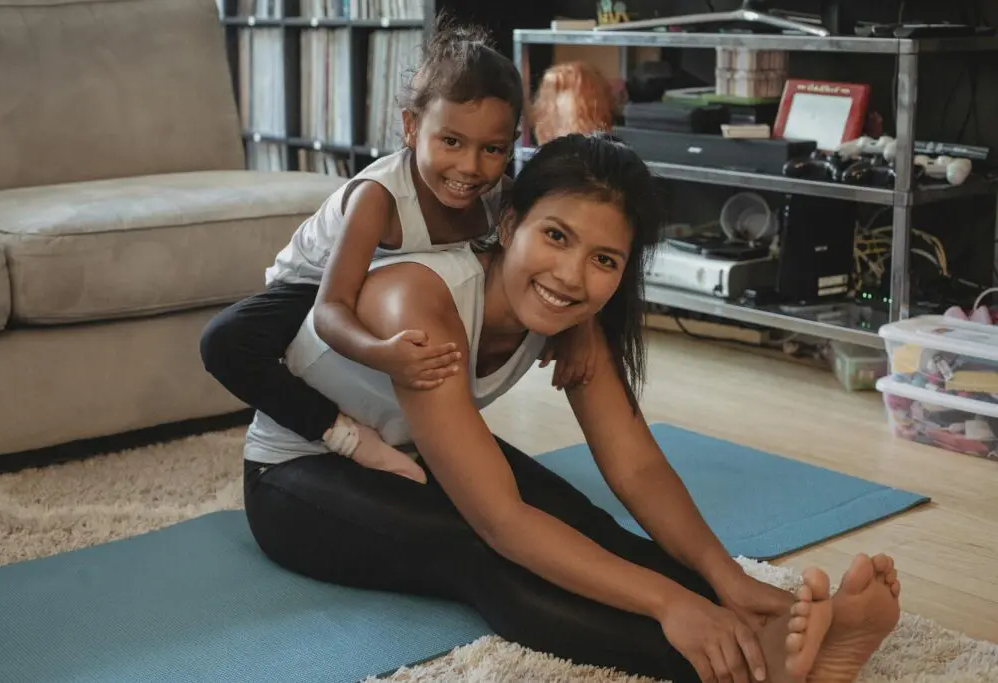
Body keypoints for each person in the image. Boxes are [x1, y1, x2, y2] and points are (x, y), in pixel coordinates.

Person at [239, 133, 902, 683]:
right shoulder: (421, 299)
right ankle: (746, 666)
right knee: (483, 549)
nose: (571, 276)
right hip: (297, 475)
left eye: (604, 259)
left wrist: (723, 574)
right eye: (555, 236)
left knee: (585, 527)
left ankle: (769, 626)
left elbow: (636, 467)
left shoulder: (576, 320)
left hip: (408, 450)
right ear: (508, 223)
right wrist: (671, 602)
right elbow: (501, 522)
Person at [199, 16, 596, 484]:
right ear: (411, 128)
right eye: (450, 141)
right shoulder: (380, 199)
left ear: (511, 146)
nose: (470, 167)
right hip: (311, 287)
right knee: (223, 342)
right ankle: (344, 436)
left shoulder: (500, 200)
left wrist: (579, 330)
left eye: (491, 149)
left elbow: (556, 256)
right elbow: (331, 309)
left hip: (394, 293)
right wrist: (380, 353)